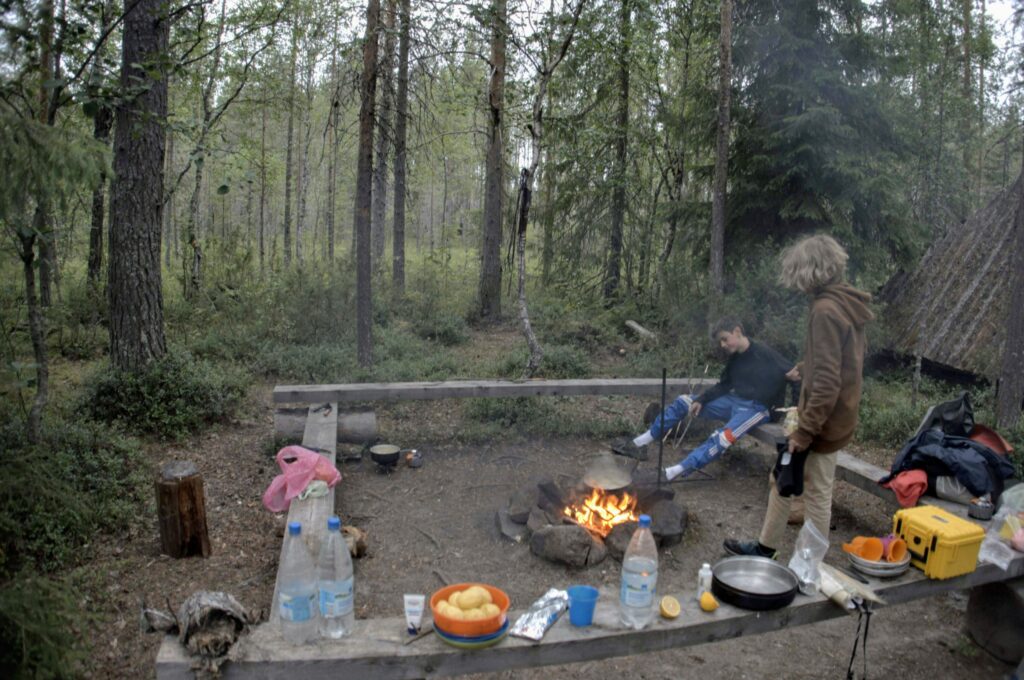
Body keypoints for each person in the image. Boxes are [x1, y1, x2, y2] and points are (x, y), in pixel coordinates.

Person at [724, 234, 873, 559]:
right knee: (783, 477)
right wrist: (806, 366)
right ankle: (766, 548)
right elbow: (843, 360)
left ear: (809, 271)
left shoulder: (826, 309)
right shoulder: (846, 302)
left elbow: (829, 381)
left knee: (817, 492)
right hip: (835, 415)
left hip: (823, 421)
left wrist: (805, 431)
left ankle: (810, 564)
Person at [618, 317, 798, 482]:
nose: (722, 345)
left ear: (737, 332)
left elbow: (797, 375)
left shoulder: (765, 353)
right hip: (734, 400)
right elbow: (724, 385)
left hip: (757, 409)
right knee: (684, 402)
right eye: (721, 341)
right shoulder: (735, 359)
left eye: (725, 339)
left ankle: (675, 471)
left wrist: (796, 411)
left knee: (721, 438)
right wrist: (702, 400)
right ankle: (639, 443)